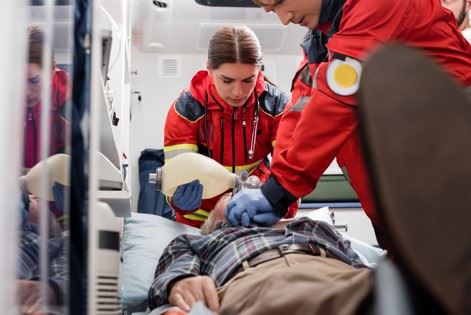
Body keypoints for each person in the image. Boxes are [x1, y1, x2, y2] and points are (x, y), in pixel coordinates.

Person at [225, 0, 471, 245]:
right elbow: (301, 109)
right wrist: (274, 188)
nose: (284, 19)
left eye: (280, 2)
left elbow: (335, 104)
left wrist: (278, 192)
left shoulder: (378, 6)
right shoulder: (325, 40)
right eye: (271, 11)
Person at [148, 193, 372, 314]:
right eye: (229, 198)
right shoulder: (202, 240)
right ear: (215, 223)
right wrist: (181, 283)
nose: (239, 196)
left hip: (340, 273)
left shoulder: (309, 226)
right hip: (257, 280)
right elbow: (175, 267)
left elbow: (357, 262)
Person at [163, 25, 296, 228]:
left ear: (258, 71)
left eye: (248, 80)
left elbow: (290, 173)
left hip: (255, 216)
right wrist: (179, 201)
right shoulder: (187, 110)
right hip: (198, 223)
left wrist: (277, 203)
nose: (238, 92)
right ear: (209, 69)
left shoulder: (276, 106)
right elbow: (174, 181)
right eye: (227, 80)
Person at [24, 26, 69, 171]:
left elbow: (74, 149)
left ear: (51, 70)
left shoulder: (64, 89)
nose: (24, 92)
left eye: (34, 80)